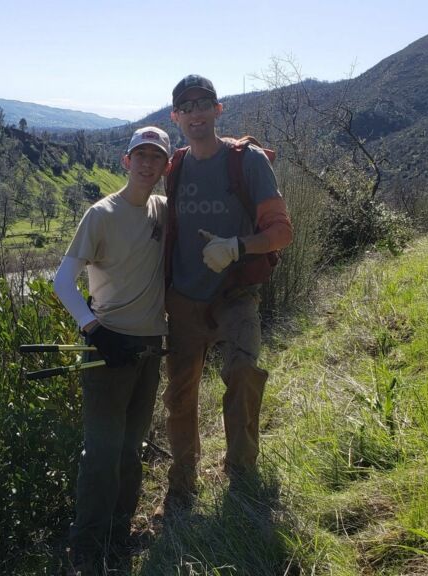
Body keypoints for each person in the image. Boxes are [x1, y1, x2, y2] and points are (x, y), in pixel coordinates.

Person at [159, 74, 293, 514]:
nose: (196, 113)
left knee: (242, 374)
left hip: (235, 293)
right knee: (180, 393)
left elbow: (281, 231)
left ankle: (241, 473)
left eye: (204, 104)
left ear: (219, 110)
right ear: (176, 116)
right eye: (186, 106)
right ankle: (183, 484)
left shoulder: (247, 160)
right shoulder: (175, 166)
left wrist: (237, 247)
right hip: (184, 299)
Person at [53, 126, 172, 574]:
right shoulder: (100, 214)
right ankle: (86, 547)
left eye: (156, 158)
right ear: (126, 161)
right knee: (102, 451)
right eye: (140, 156)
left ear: (164, 167)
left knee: (130, 448)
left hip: (148, 349)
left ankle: (118, 536)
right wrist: (94, 330)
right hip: (108, 350)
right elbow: (62, 282)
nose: (147, 164)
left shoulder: (164, 210)